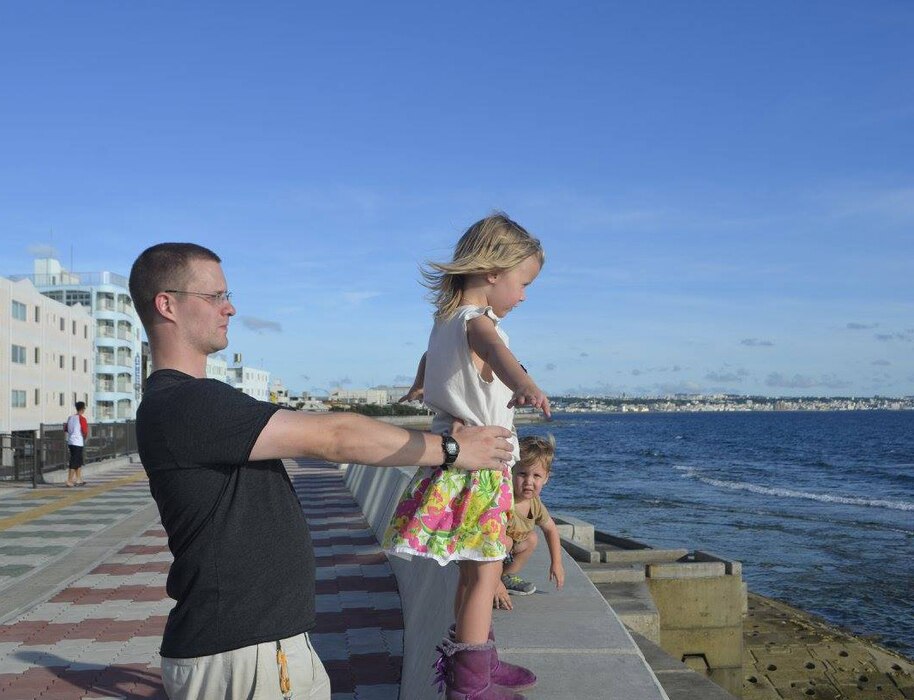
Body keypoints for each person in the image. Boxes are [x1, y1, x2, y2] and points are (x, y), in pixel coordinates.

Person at [128, 243, 513, 700]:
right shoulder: (185, 403)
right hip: (243, 654)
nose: (229, 307)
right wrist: (452, 449)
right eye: (214, 296)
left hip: (262, 646)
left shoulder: (191, 401)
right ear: (166, 304)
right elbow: (334, 436)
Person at [383, 213, 551, 699]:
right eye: (522, 283)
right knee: (486, 573)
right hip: (481, 470)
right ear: (492, 272)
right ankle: (472, 685)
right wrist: (524, 383)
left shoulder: (443, 323)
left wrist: (421, 382)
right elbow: (495, 350)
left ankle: (477, 660)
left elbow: (430, 358)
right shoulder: (478, 323)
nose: (523, 296)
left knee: (470, 571)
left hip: (452, 465)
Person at [493, 435, 565, 610]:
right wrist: (493, 584)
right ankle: (493, 581)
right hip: (490, 550)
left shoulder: (535, 503)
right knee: (507, 540)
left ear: (546, 478)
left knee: (531, 538)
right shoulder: (505, 500)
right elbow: (490, 541)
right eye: (522, 474)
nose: (529, 482)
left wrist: (556, 563)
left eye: (537, 476)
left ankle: (505, 576)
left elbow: (551, 529)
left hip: (506, 554)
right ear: (511, 472)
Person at [64, 401, 89, 487]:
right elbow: (85, 431)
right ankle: (69, 480)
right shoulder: (82, 419)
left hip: (71, 441)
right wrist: (83, 438)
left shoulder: (70, 417)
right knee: (74, 461)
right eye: (84, 408)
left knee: (78, 461)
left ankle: (79, 479)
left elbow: (66, 429)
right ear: (82, 409)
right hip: (78, 442)